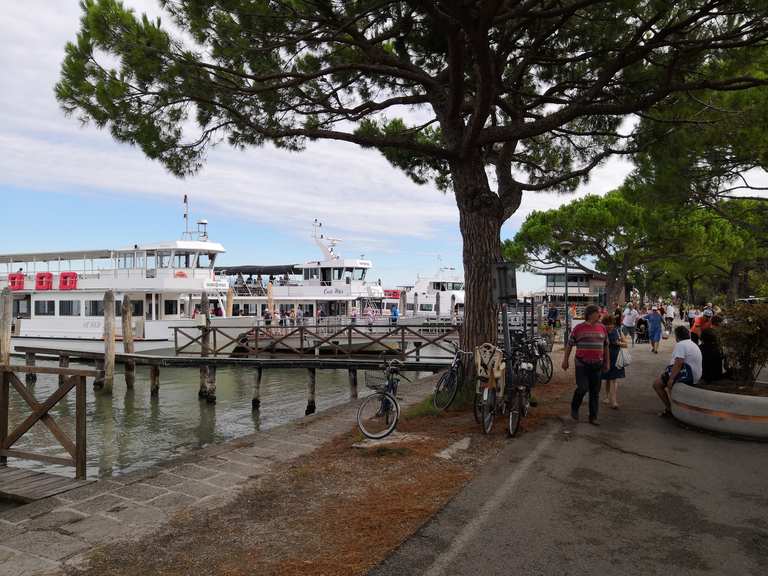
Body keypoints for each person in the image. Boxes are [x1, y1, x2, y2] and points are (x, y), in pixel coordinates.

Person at [562, 305, 609, 425]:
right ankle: (574, 408)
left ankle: (593, 417)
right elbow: (569, 345)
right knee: (582, 388)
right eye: (598, 312)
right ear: (590, 314)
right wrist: (565, 360)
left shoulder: (602, 328)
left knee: (595, 392)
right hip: (582, 364)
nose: (600, 315)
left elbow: (606, 346)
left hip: (597, 365)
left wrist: (607, 362)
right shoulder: (578, 328)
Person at [652, 325, 702, 417]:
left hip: (687, 375)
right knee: (665, 377)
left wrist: (671, 379)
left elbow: (678, 363)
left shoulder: (681, 345)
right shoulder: (692, 343)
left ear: (677, 337)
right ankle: (673, 409)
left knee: (657, 384)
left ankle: (670, 409)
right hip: (694, 374)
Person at [601, 314, 626, 409]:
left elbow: (625, 344)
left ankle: (614, 401)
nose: (609, 326)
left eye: (611, 323)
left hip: (616, 358)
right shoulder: (602, 332)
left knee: (613, 379)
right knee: (607, 379)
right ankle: (607, 397)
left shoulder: (618, 330)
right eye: (607, 324)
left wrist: (618, 343)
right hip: (605, 358)